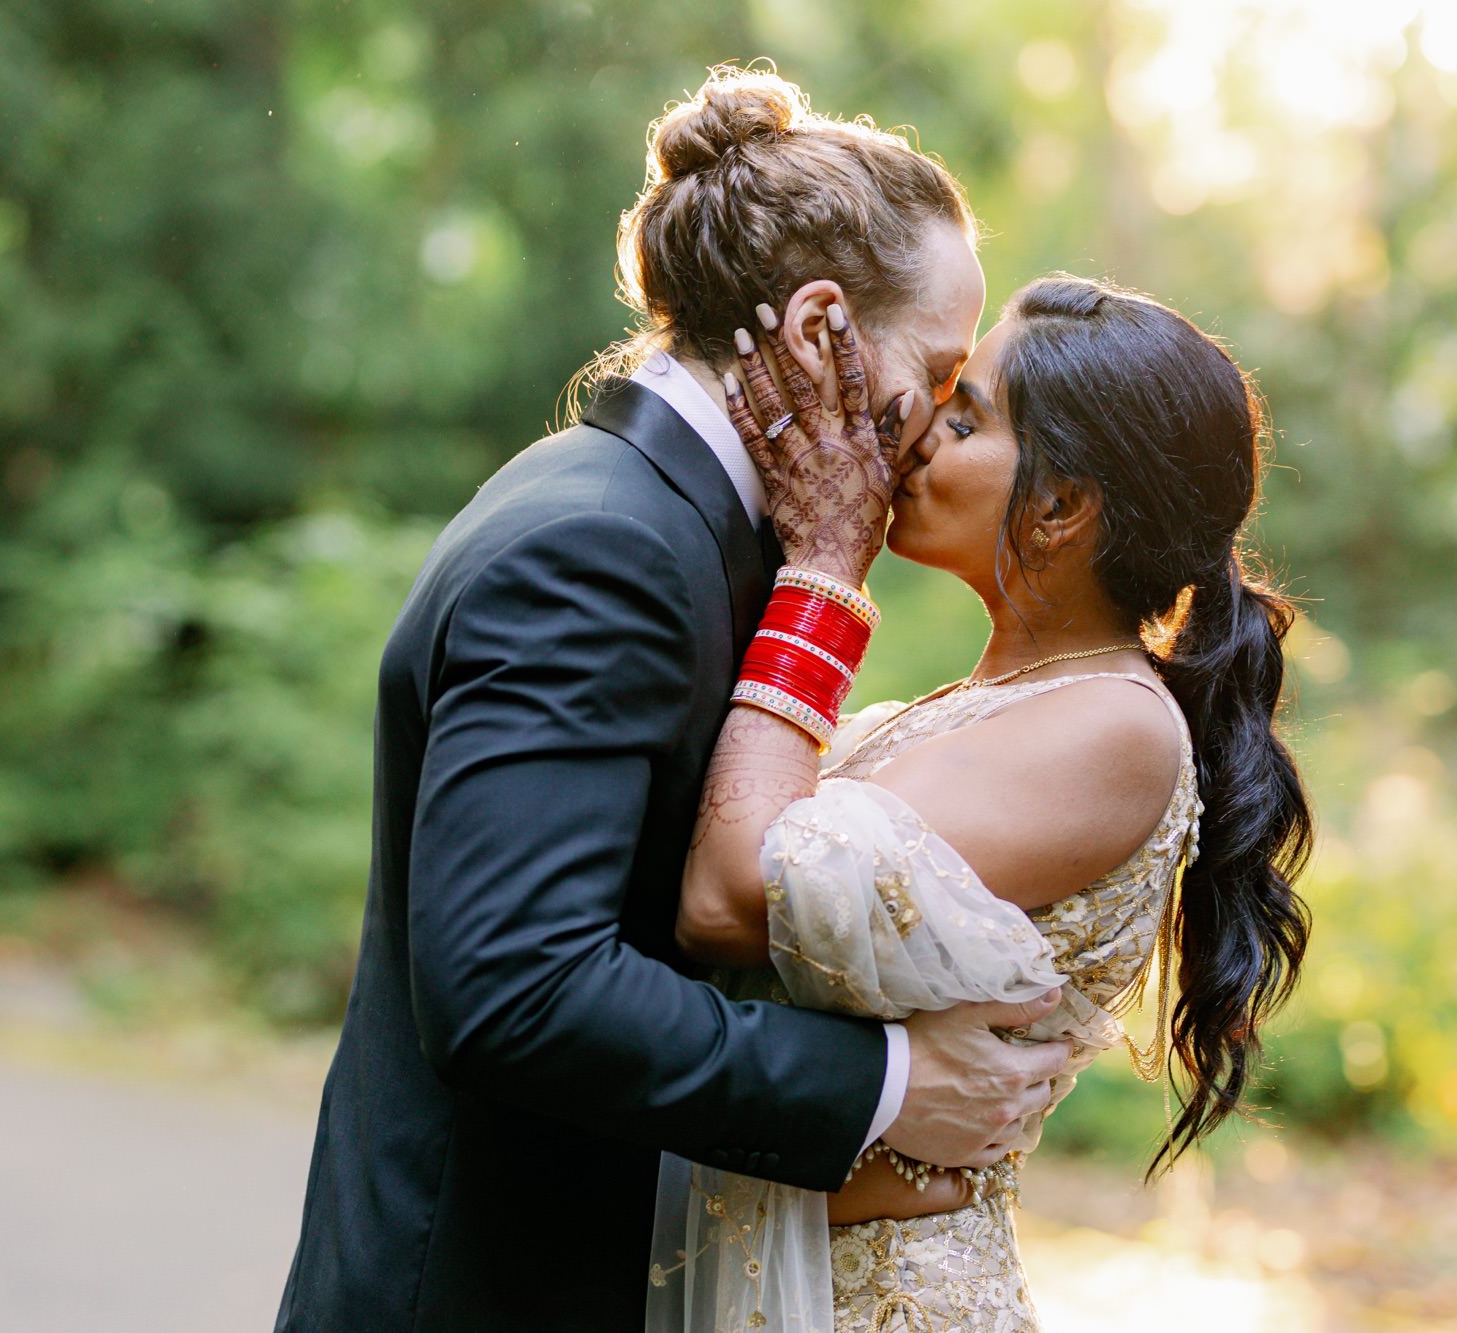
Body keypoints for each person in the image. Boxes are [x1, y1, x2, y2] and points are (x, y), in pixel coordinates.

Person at [274, 67, 1072, 1332]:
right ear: (820, 331)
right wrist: (880, 1083)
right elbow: (514, 987)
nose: (927, 427)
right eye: (934, 367)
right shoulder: (602, 549)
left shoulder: (654, 519)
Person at [653, 271, 1314, 1330]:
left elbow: (730, 892)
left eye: (963, 418)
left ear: (1060, 506)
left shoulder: (1115, 730)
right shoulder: (979, 708)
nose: (914, 435)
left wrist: (825, 575)